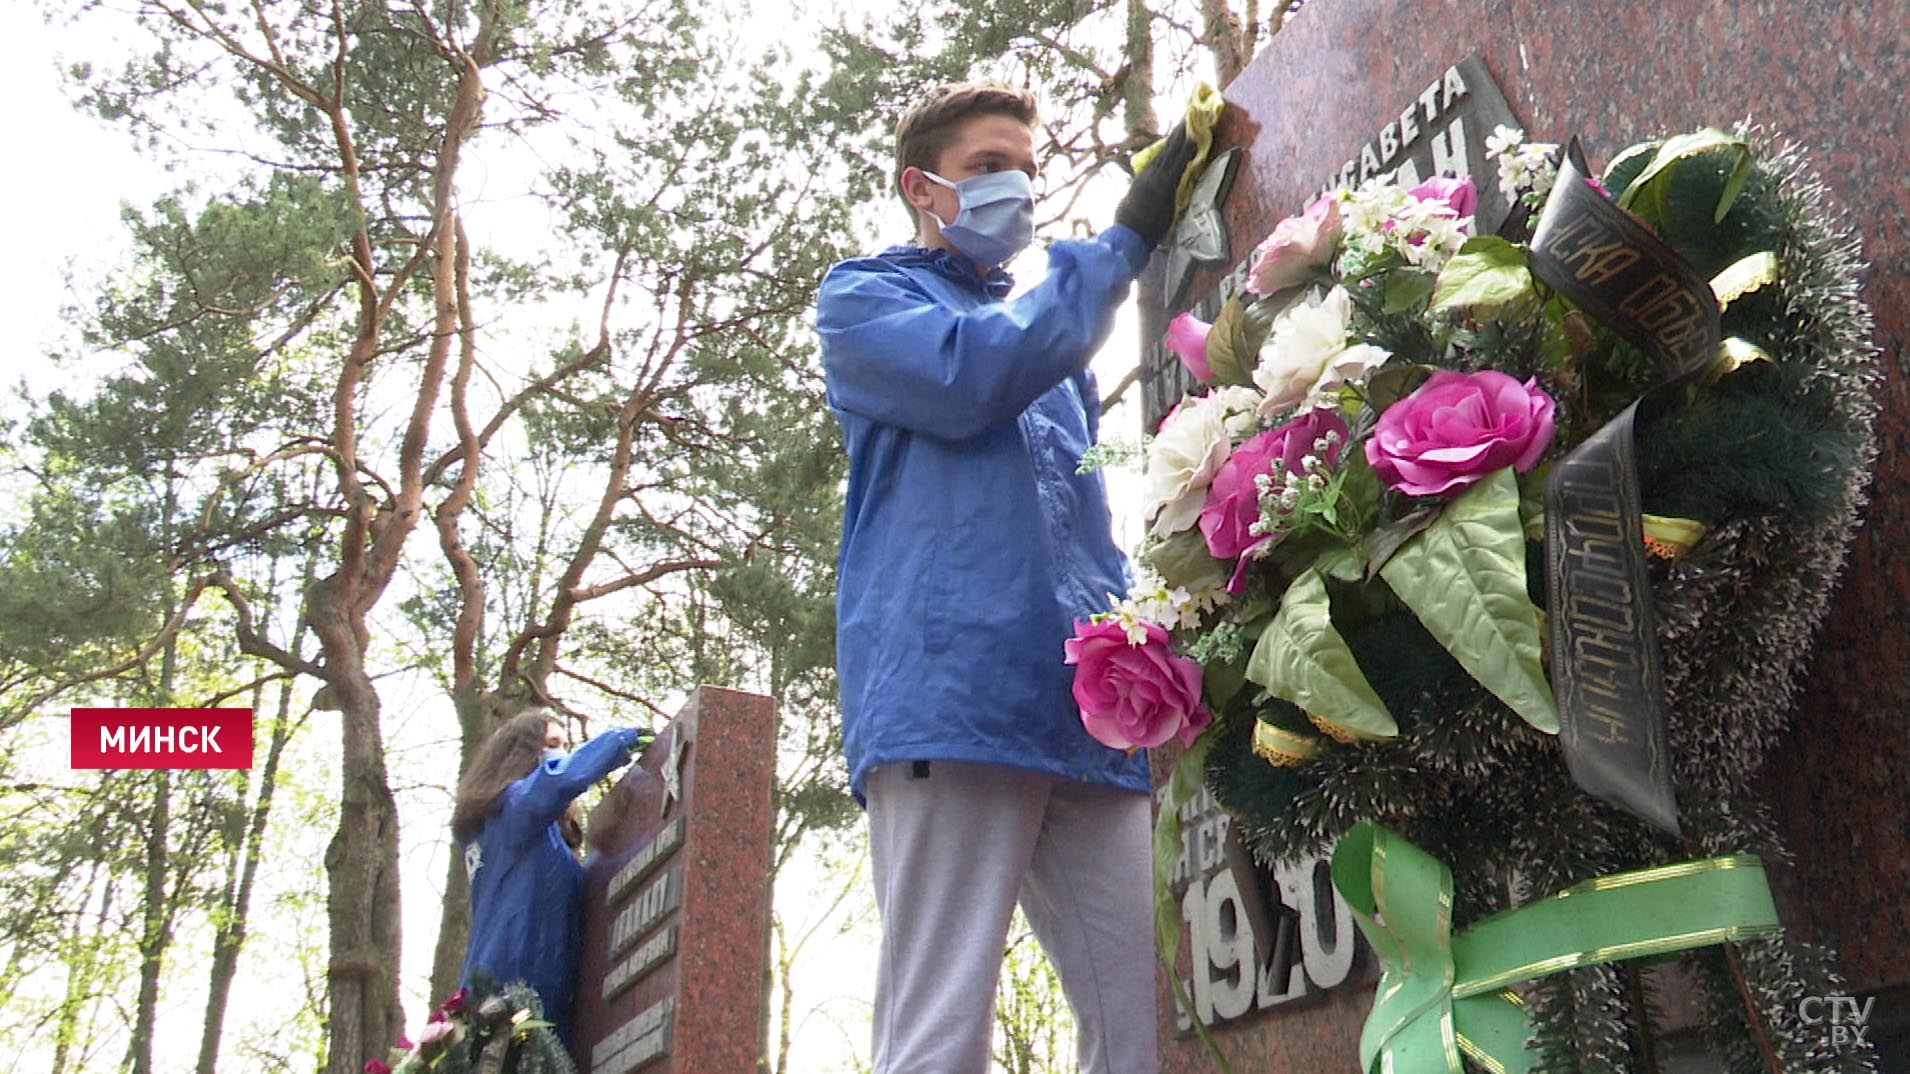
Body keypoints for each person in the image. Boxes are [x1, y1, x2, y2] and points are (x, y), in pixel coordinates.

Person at [815, 81, 1197, 1074]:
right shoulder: (864, 302)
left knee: (1144, 1032)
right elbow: (973, 376)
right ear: (922, 187)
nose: (1015, 190)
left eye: (1026, 171)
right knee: (939, 1040)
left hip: (1082, 714)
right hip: (950, 700)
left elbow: (1083, 528)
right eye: (989, 168)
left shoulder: (1049, 347)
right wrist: (1125, 241)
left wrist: (1145, 650)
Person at [451, 709, 650, 1049]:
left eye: (564, 745)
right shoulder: (510, 811)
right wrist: (625, 741)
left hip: (540, 1003)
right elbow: (556, 780)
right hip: (508, 995)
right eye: (552, 744)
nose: (561, 754)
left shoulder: (535, 836)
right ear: (521, 754)